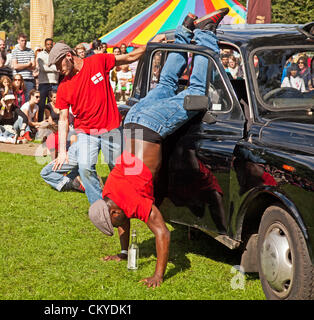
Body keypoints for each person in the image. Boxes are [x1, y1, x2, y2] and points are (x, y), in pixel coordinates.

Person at [87, 9, 230, 288]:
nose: (119, 226)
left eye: (115, 223)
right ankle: (184, 29)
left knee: (196, 93)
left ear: (113, 212)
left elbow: (163, 234)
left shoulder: (132, 203)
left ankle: (205, 33)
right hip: (133, 122)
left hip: (151, 127)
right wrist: (123, 253)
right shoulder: (109, 195)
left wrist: (158, 275)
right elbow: (124, 223)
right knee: (165, 84)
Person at [43, 31, 166, 205]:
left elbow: (130, 57)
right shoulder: (63, 87)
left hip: (111, 129)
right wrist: (62, 152)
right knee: (85, 168)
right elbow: (63, 119)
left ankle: (127, 202)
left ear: (68, 56)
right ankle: (99, 206)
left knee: (117, 168)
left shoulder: (97, 61)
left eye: (58, 64)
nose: (57, 69)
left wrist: (151, 43)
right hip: (86, 133)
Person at [36, 38, 59, 122]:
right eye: (48, 44)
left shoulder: (56, 54)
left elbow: (58, 67)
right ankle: (40, 123)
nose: (49, 46)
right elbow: (42, 68)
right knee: (41, 105)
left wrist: (49, 66)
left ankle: (53, 122)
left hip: (54, 82)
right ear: (45, 45)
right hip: (43, 83)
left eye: (50, 44)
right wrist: (53, 67)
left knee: (54, 105)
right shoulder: (41, 55)